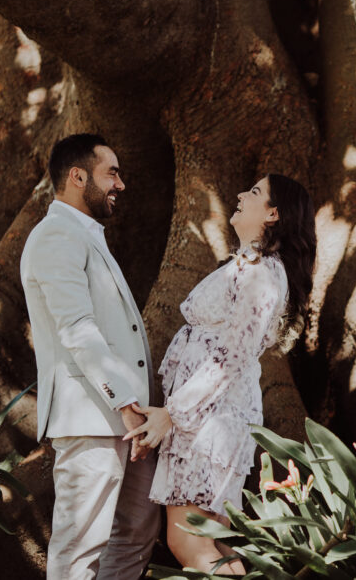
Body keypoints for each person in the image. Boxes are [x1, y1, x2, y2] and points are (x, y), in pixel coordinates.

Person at [127, 174, 316, 574]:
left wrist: (172, 413)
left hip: (209, 418)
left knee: (187, 539)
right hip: (206, 415)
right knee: (212, 539)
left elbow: (233, 355)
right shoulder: (252, 267)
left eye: (254, 192)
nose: (240, 195)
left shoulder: (263, 274)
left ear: (273, 214)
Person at [19, 133, 161, 580]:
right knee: (79, 547)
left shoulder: (88, 234)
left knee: (137, 532)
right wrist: (125, 403)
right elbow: (77, 329)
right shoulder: (55, 236)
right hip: (93, 417)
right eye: (111, 173)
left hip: (128, 419)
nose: (121, 183)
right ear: (78, 177)